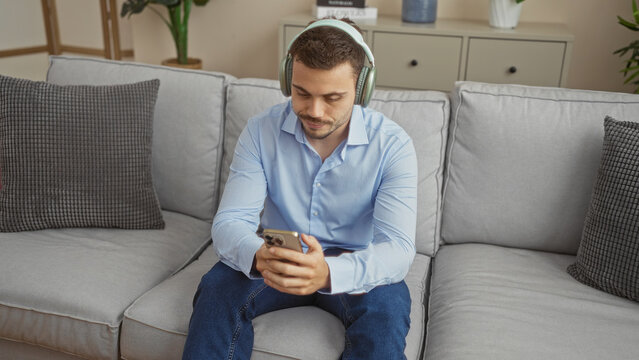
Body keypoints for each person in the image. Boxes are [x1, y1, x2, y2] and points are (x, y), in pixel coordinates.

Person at [182, 17, 418, 360]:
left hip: (354, 257)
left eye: (333, 98)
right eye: (302, 93)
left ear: (362, 89)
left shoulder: (393, 146)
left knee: (386, 314)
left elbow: (397, 248)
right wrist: (257, 255)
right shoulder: (260, 132)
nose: (315, 111)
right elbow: (230, 221)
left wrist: (328, 273)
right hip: (278, 250)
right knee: (216, 290)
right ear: (287, 79)